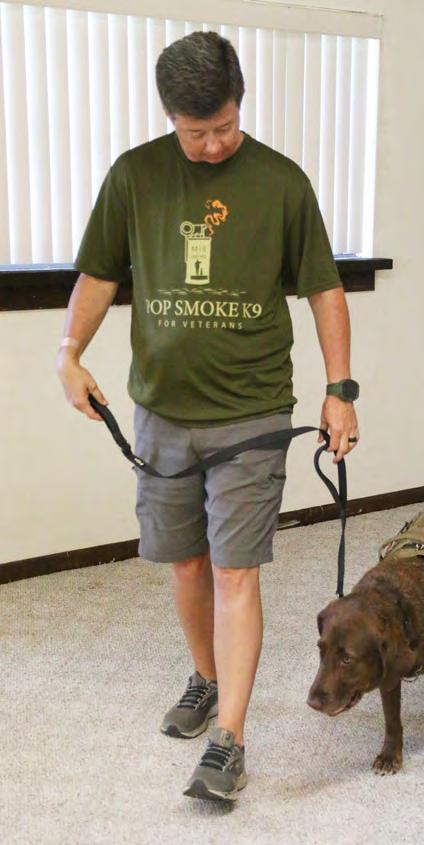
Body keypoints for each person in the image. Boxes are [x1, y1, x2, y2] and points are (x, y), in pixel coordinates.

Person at [56, 30, 360, 802]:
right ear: (169, 116)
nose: (213, 144)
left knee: (233, 569)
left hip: (252, 410)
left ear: (239, 103)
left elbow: (324, 288)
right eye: (196, 132)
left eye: (223, 126)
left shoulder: (281, 182)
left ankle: (229, 736)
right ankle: (204, 673)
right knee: (186, 562)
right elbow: (99, 273)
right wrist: (69, 351)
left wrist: (340, 388)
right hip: (160, 409)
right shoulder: (135, 176)